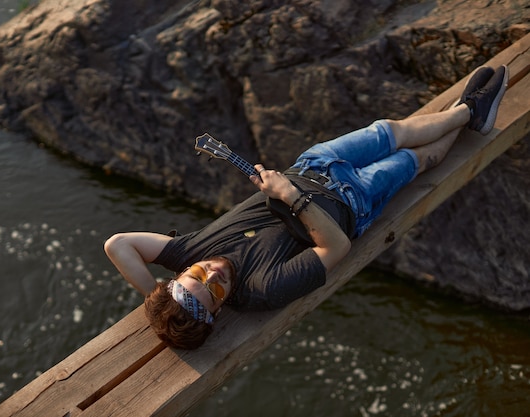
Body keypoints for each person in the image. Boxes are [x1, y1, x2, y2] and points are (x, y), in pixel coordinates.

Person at [104, 65, 509, 349]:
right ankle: (473, 113)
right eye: (214, 290)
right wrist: (290, 196)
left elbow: (118, 244)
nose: (214, 272)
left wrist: (155, 296)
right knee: (416, 161)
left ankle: (466, 112)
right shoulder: (263, 289)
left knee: (390, 130)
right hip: (353, 201)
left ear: (181, 273)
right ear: (221, 308)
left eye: (197, 275)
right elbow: (335, 248)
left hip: (312, 165)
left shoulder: (188, 253)